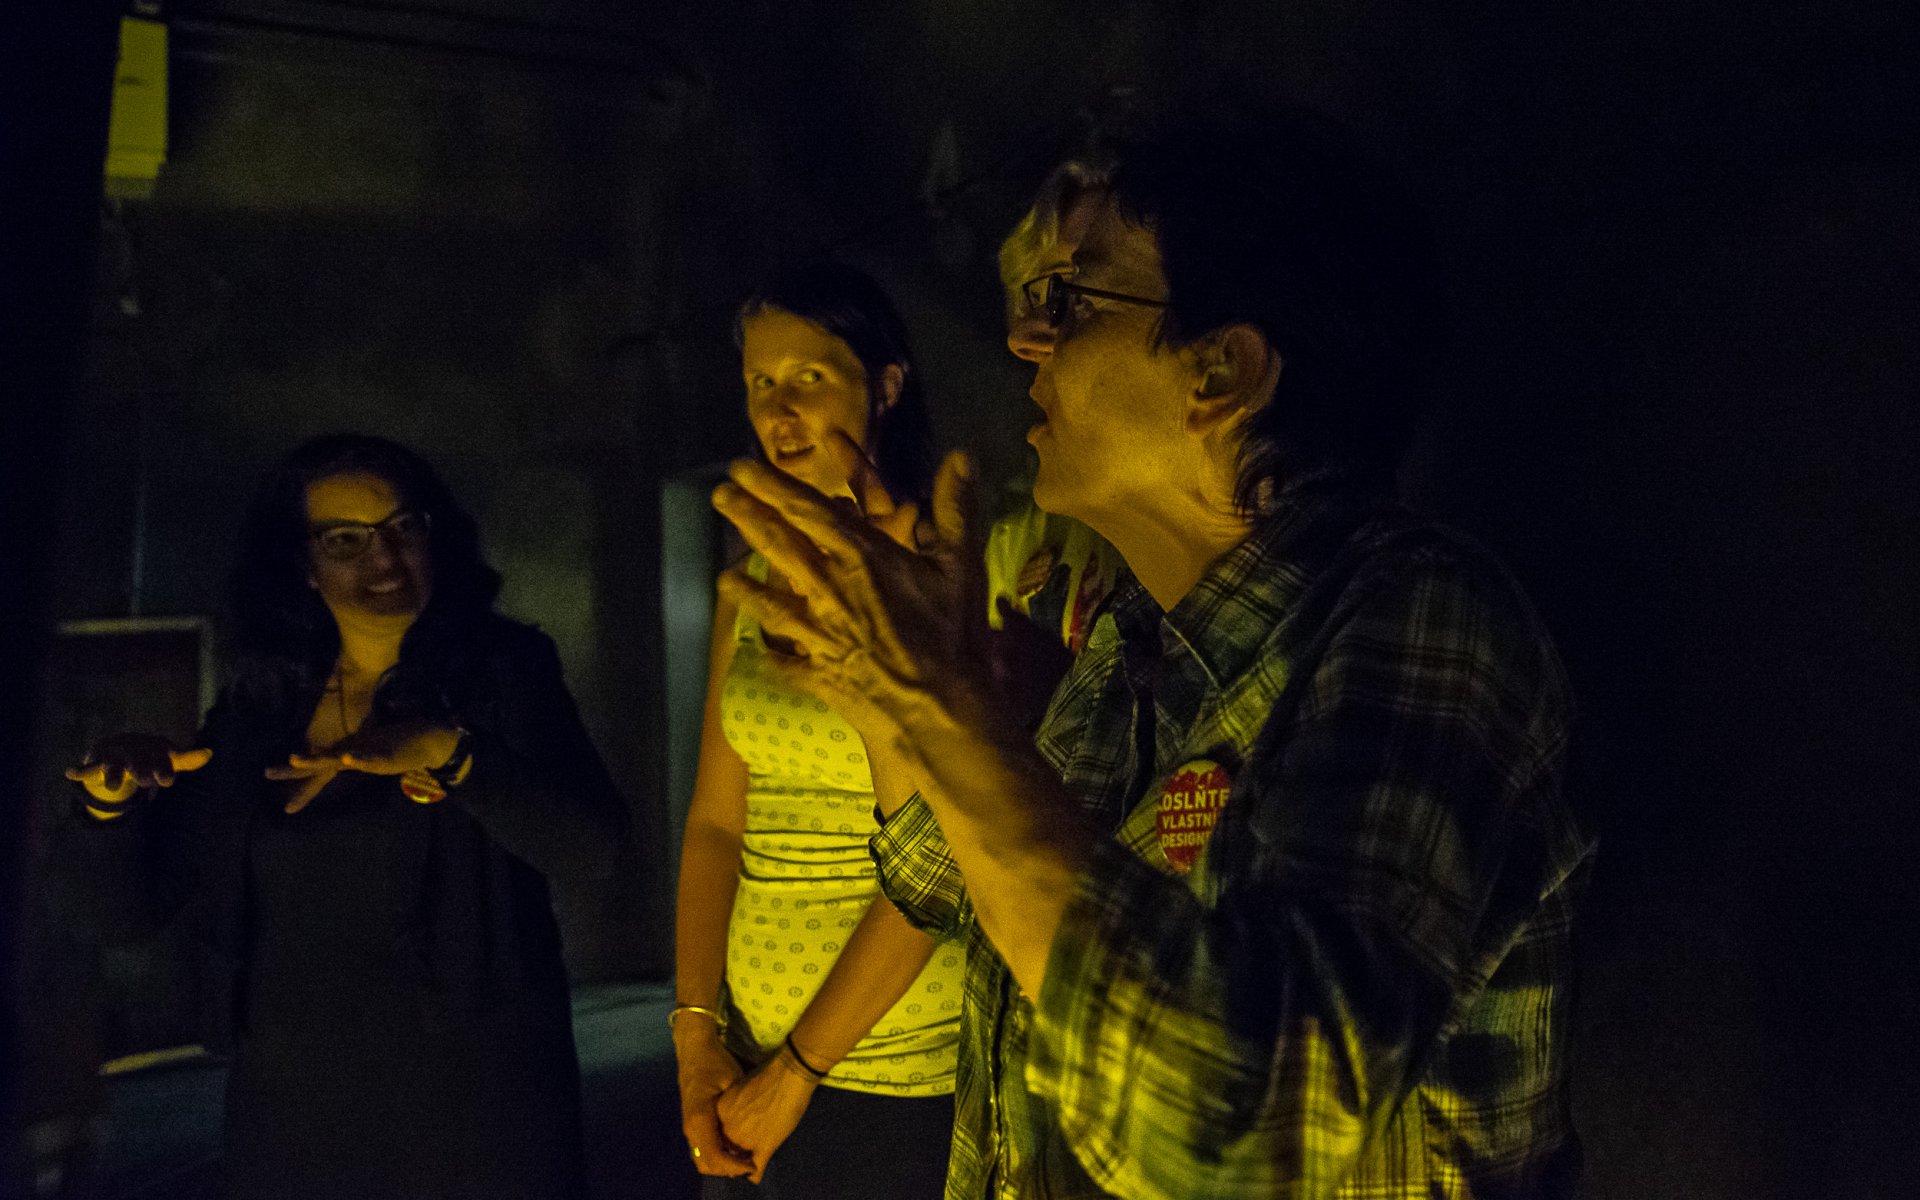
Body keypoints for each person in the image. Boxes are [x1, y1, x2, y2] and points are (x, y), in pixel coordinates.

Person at [711, 106, 1595, 1198]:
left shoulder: (1421, 625)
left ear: (1221, 371)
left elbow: (1247, 1124)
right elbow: (940, 880)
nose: (1028, 340)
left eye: (1075, 302)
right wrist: (903, 692)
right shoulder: (1133, 634)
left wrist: (942, 707)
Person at [54, 434, 628, 1200]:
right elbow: (125, 913)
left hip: (473, 1103)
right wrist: (109, 803)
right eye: (345, 540)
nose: (384, 559)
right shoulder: (263, 703)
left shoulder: (501, 673)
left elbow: (593, 849)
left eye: (402, 527)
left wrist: (452, 756)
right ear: (303, 565)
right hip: (292, 1108)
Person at [673, 263, 962, 1197]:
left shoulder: (941, 571)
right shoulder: (759, 571)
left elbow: (945, 855)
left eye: (810, 377)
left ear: (887, 384)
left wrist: (798, 1073)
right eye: (761, 383)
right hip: (747, 1057)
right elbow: (717, 823)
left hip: (892, 1068)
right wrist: (694, 1035)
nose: (779, 410)